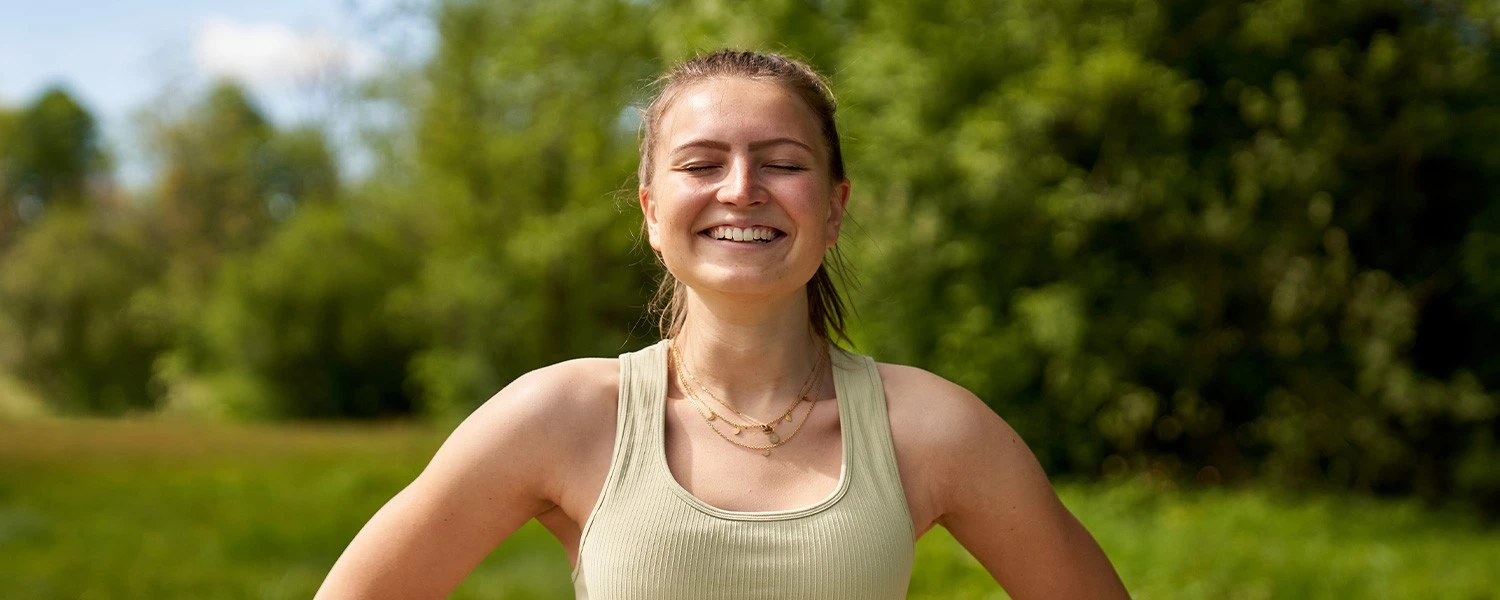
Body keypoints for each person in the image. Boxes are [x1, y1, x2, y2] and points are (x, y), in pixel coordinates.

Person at [315, 49, 1129, 599]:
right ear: (651, 211)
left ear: (834, 208)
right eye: (702, 164)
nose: (741, 189)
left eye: (783, 163)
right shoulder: (561, 416)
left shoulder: (931, 428)